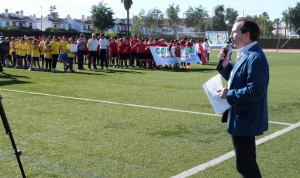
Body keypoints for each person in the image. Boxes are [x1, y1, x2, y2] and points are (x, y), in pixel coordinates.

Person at [217, 17, 269, 178]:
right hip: (240, 117)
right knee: (245, 165)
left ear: (247, 35)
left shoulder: (256, 57)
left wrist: (229, 94)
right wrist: (225, 64)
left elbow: (255, 90)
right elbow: (237, 78)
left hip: (246, 119)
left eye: (234, 31)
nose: (231, 34)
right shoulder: (246, 54)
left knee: (246, 166)